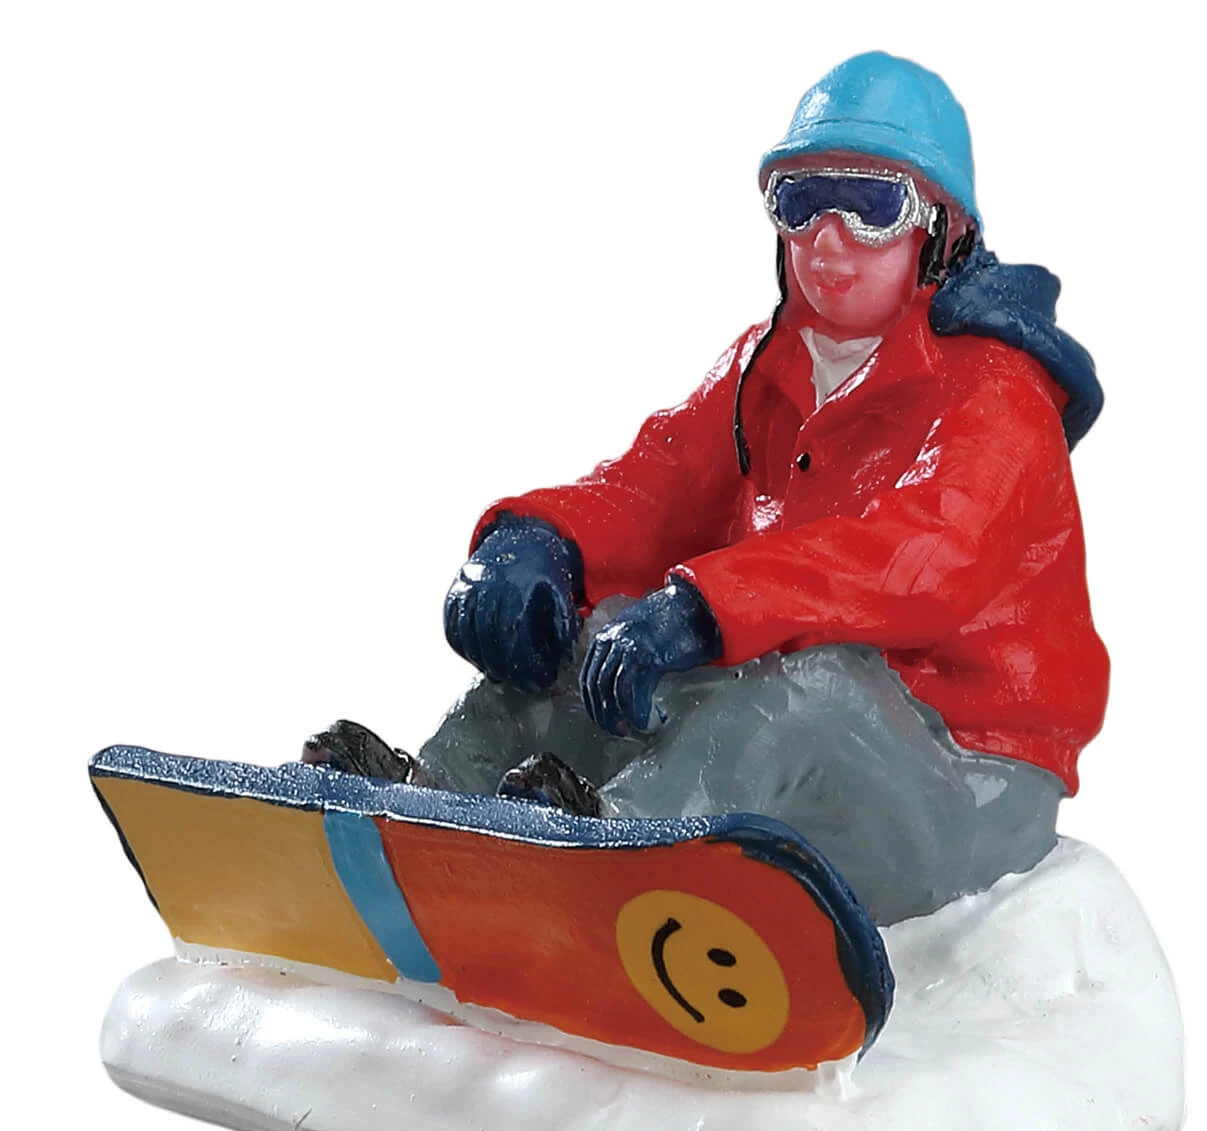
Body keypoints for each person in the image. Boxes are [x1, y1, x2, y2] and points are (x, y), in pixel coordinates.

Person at [306, 52, 1109, 926]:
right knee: (595, 638)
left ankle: (622, 855)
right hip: (797, 693)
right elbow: (656, 484)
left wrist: (707, 606)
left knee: (807, 692)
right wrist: (542, 542)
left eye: (870, 207)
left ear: (940, 230)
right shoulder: (769, 363)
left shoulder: (997, 394)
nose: (827, 240)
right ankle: (433, 803)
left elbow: (921, 558)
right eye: (800, 203)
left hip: (967, 769)